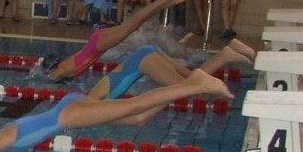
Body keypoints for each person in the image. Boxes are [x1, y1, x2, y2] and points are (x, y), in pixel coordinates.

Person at [0, 68, 232, 152]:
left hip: (68, 113)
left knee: (137, 104)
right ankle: (191, 85)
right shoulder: (1, 134)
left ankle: (196, 83)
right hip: (67, 107)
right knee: (139, 117)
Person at [43, 0, 186, 81]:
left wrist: (45, 77)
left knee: (133, 24)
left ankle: (161, 0)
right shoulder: (64, 65)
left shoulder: (61, 70)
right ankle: (163, 3)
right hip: (96, 42)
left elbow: (50, 78)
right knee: (133, 24)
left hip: (98, 45)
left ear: (52, 68)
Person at [86, 38, 255, 101]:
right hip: (144, 54)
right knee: (191, 79)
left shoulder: (95, 101)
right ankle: (228, 51)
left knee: (190, 89)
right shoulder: (93, 98)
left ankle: (224, 56)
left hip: (145, 60)